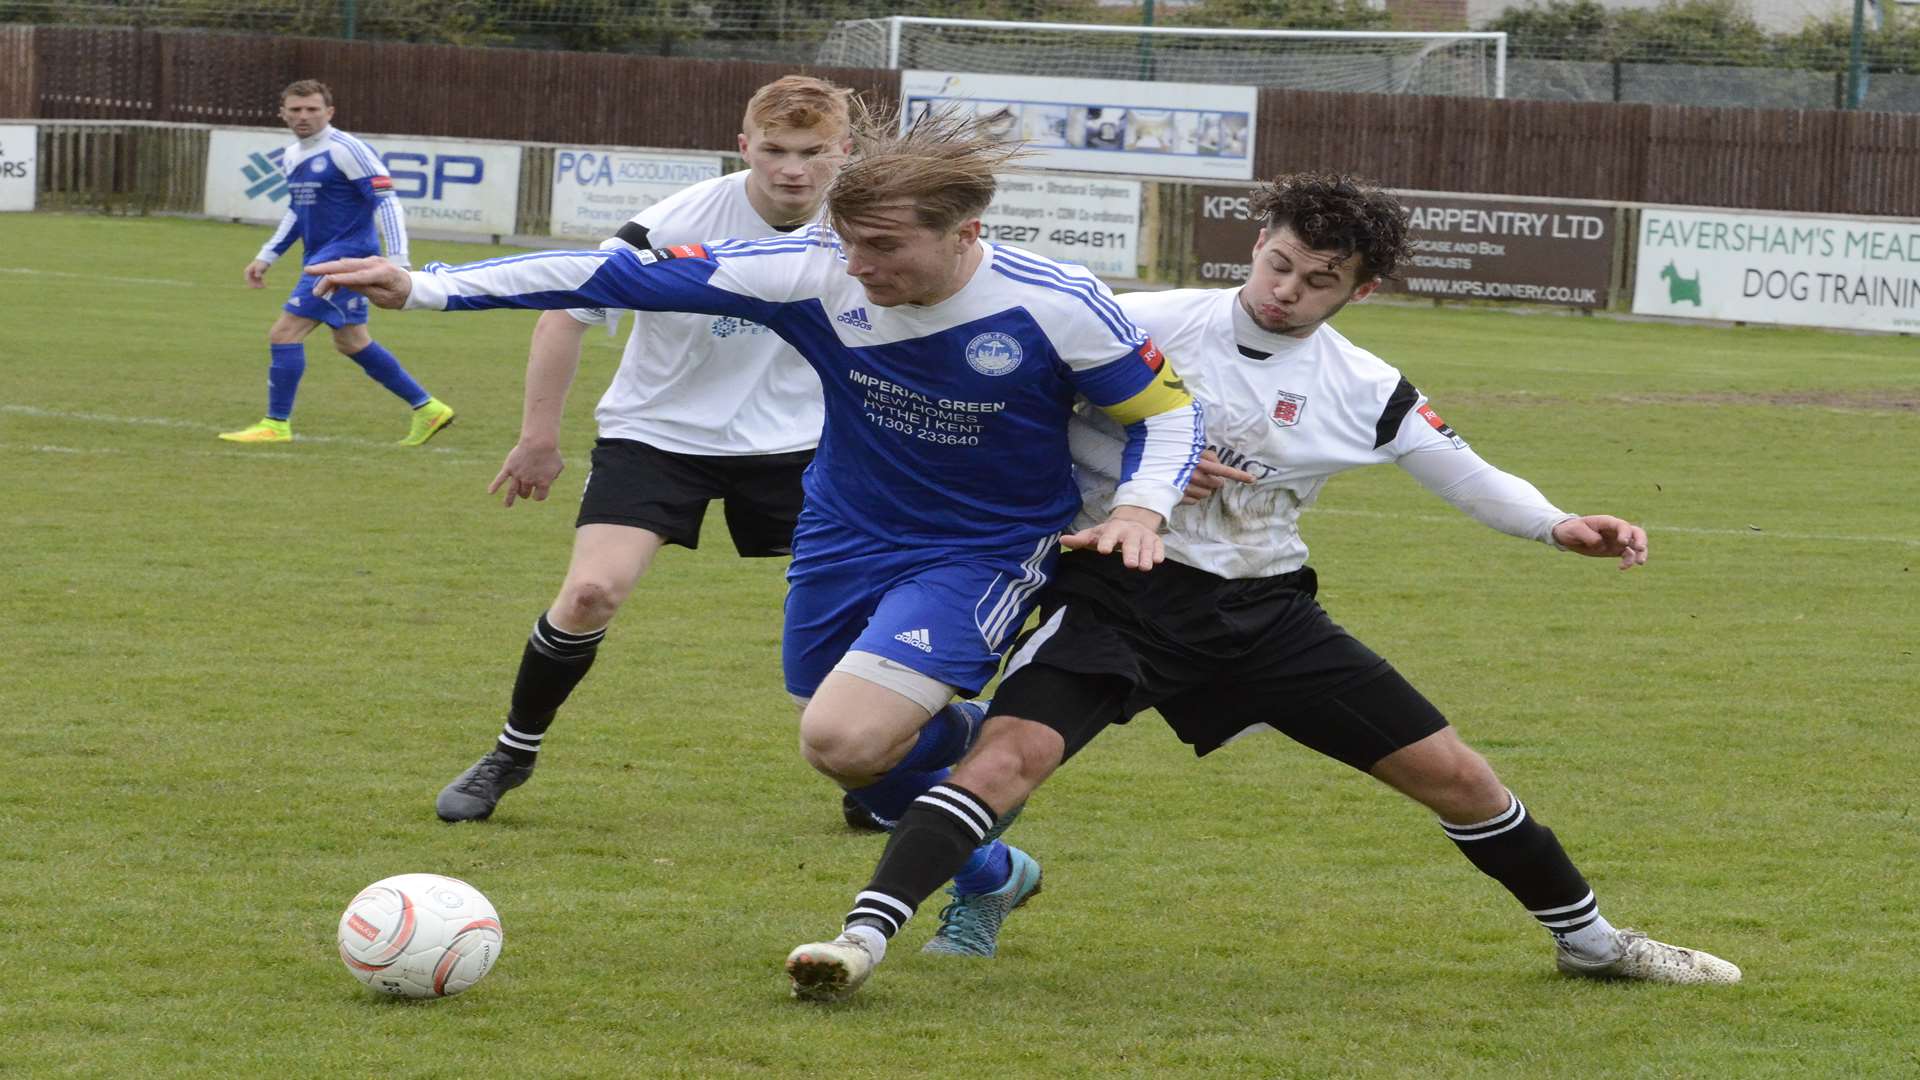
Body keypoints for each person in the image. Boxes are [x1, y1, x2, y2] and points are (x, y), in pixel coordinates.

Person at [782, 172, 1742, 1002]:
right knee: (1001, 765)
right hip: (1120, 593)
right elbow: (1025, 417)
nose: (1287, 290)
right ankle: (859, 943)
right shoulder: (1143, 319)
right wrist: (1142, 450)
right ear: (1258, 246)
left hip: (1265, 611)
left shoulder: (1365, 387)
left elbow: (1466, 471)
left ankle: (1593, 945)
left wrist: (1558, 524)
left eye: (1320, 280)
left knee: (1460, 779)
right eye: (1279, 263)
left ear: (1358, 290)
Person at [310, 112, 1205, 957]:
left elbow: (1167, 416)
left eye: (884, 246)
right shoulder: (812, 270)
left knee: (844, 741)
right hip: (844, 534)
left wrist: (1140, 507)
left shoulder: (1058, 304)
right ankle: (992, 860)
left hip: (981, 549)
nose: (856, 266)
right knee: (847, 736)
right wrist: (428, 287)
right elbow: (607, 276)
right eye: (848, 240)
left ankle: (974, 749)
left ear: (965, 234)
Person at [432, 75, 857, 823]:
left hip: (801, 445)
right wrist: (538, 437)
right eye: (775, 150)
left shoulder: (865, 222)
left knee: (859, 611)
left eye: (813, 152)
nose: (794, 169)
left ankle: (881, 778)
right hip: (658, 434)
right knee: (591, 594)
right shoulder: (675, 221)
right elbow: (566, 311)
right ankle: (511, 753)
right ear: (743, 147)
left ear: (843, 150)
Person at [219, 79, 454, 446]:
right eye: (295, 110)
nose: (303, 116)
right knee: (351, 341)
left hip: (345, 259)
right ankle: (428, 409)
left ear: (329, 112)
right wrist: (267, 255)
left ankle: (275, 424)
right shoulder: (293, 155)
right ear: (282, 113)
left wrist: (399, 261)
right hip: (321, 257)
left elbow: (386, 201)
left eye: (312, 109)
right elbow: (298, 212)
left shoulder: (347, 149)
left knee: (284, 333)